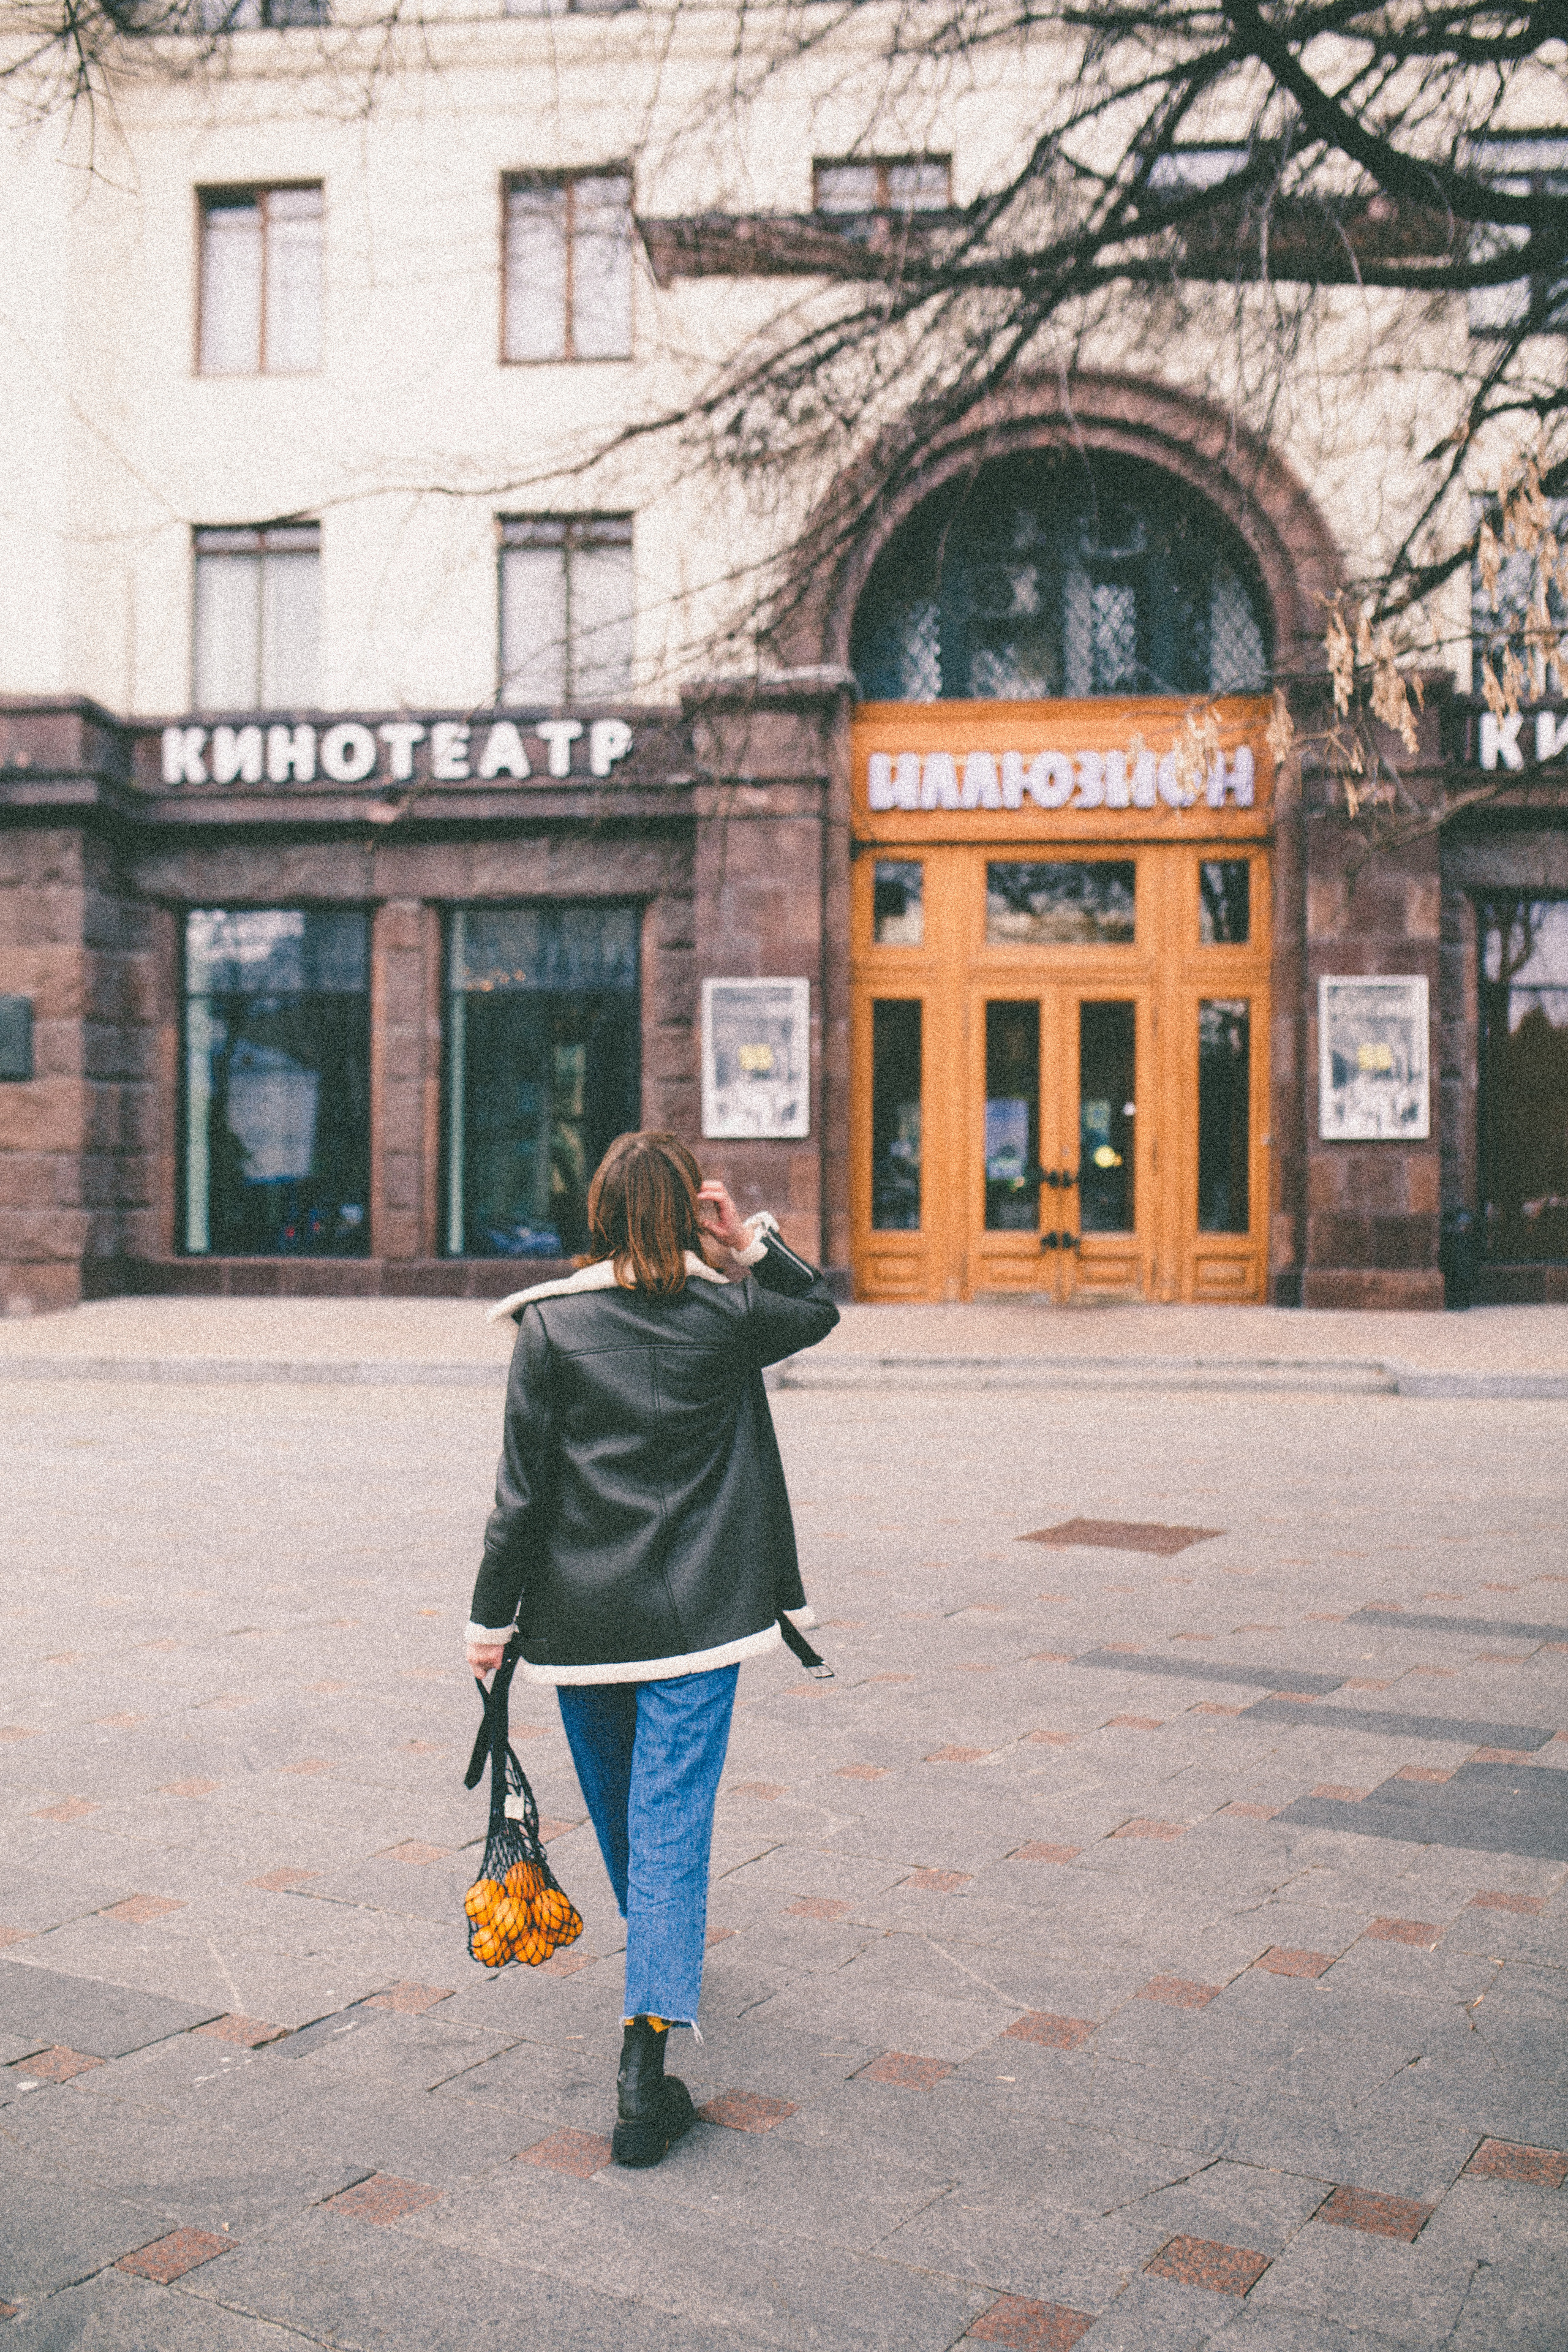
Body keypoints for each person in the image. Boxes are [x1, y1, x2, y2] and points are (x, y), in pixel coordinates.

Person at [464, 1130, 840, 2166]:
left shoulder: (548, 1329)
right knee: (669, 1818)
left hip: (583, 1625)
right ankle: (646, 2054)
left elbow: (520, 1496)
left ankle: (659, 1971)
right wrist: (748, 1244)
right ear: (689, 1212)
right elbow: (818, 1310)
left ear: (595, 1212)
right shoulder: (725, 1314)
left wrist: (488, 1623)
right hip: (701, 1619)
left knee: (632, 1814)